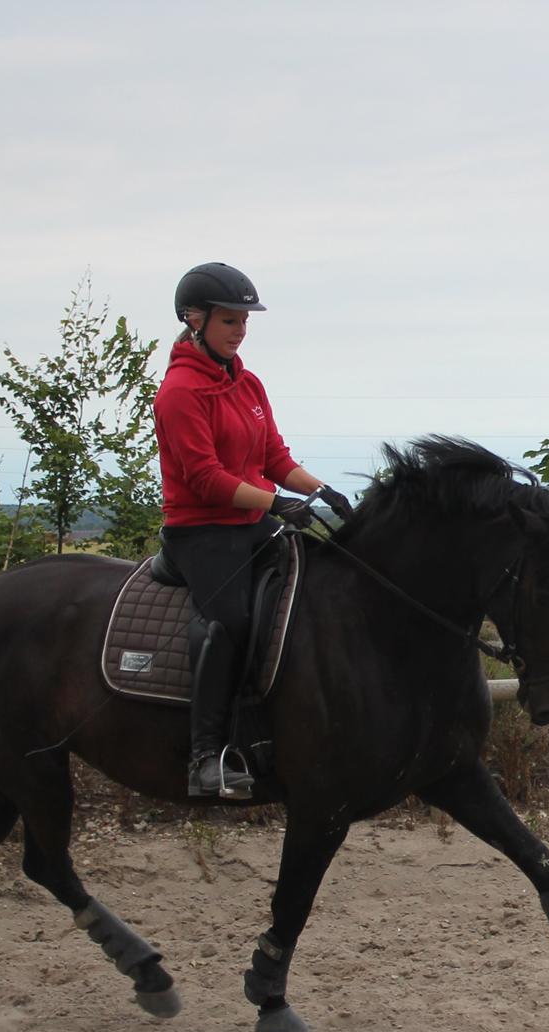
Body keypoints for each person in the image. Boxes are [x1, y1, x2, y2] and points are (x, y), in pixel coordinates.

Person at [153, 261, 352, 799]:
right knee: (230, 622)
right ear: (194, 320)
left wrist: (319, 491)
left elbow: (273, 457)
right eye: (229, 319)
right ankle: (206, 757)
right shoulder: (179, 392)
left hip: (252, 521)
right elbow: (205, 478)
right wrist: (277, 504)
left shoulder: (248, 383)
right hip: (202, 532)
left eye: (244, 319)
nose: (240, 329)